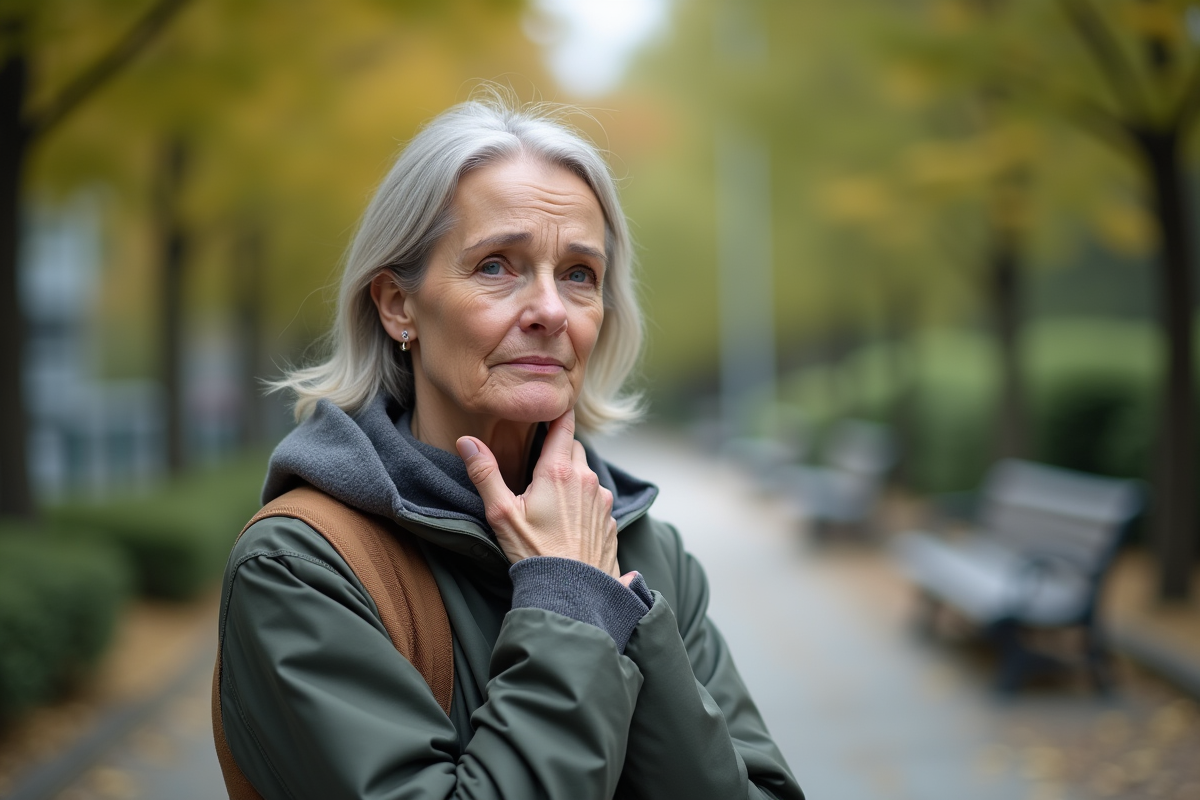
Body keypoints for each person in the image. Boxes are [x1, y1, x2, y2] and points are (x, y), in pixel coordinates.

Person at [215, 94, 804, 800]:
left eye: (580, 274)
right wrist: (570, 600)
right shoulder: (301, 568)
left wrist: (616, 609)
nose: (551, 310)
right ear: (398, 305)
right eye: (497, 265)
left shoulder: (647, 551)